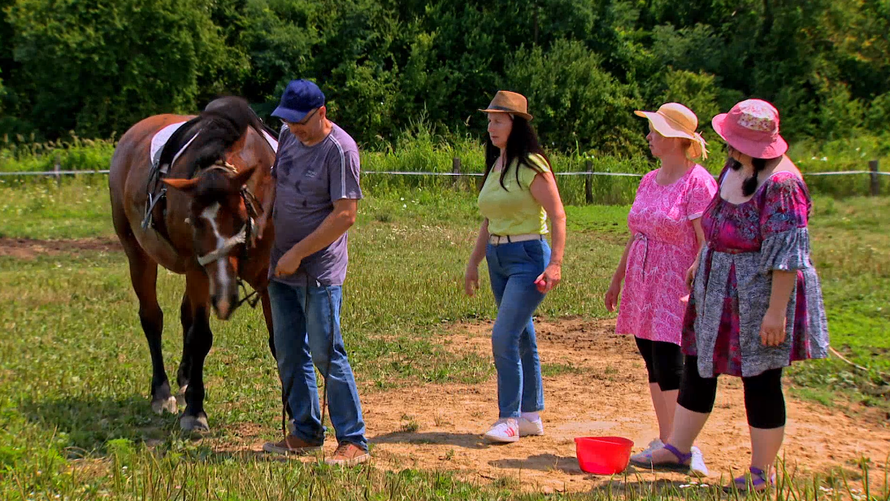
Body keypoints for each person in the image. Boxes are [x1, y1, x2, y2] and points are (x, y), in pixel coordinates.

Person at [631, 99, 829, 492]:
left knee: (761, 379)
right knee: (700, 365)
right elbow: (717, 221)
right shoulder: (736, 167)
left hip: (760, 294)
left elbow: (787, 254)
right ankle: (678, 448)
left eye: (738, 142)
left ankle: (761, 472)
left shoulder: (783, 183)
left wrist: (776, 312)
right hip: (717, 285)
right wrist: (701, 262)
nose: (730, 148)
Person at [259, 79, 370, 466]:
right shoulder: (289, 137)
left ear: (321, 113)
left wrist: (296, 254)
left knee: (326, 352)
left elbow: (345, 215)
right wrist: (263, 220)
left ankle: (353, 439)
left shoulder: (340, 150)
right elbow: (276, 182)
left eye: (300, 122)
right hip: (281, 267)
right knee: (288, 352)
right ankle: (306, 432)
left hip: (319, 272)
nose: (292, 129)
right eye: (287, 121)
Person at [605, 103, 716, 475]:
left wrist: (696, 284)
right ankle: (666, 439)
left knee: (671, 361)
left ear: (674, 138)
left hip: (674, 284)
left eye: (654, 130)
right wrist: (618, 278)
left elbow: (707, 241)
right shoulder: (649, 179)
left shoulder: (698, 182)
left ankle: (683, 446)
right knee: (651, 357)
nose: (649, 135)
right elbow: (638, 232)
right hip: (642, 281)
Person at [464, 90, 566, 443]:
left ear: (516, 124)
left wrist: (555, 263)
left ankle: (508, 418)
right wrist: (474, 262)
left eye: (498, 120)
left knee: (503, 335)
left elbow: (557, 214)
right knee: (521, 335)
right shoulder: (496, 164)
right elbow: (488, 219)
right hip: (498, 258)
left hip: (528, 257)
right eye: (489, 120)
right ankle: (530, 415)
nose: (491, 126)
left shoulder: (532, 165)